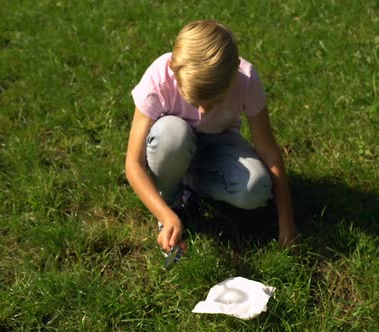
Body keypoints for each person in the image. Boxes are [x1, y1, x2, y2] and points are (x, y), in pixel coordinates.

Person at [125, 20, 299, 257]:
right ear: (172, 68)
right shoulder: (159, 78)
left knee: (257, 188)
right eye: (195, 102)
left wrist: (286, 222)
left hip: (218, 145)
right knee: (172, 135)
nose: (204, 111)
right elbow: (133, 164)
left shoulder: (246, 79)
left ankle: (194, 185)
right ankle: (173, 202)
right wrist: (165, 215)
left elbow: (268, 149)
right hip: (172, 147)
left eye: (214, 101)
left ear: (234, 71)